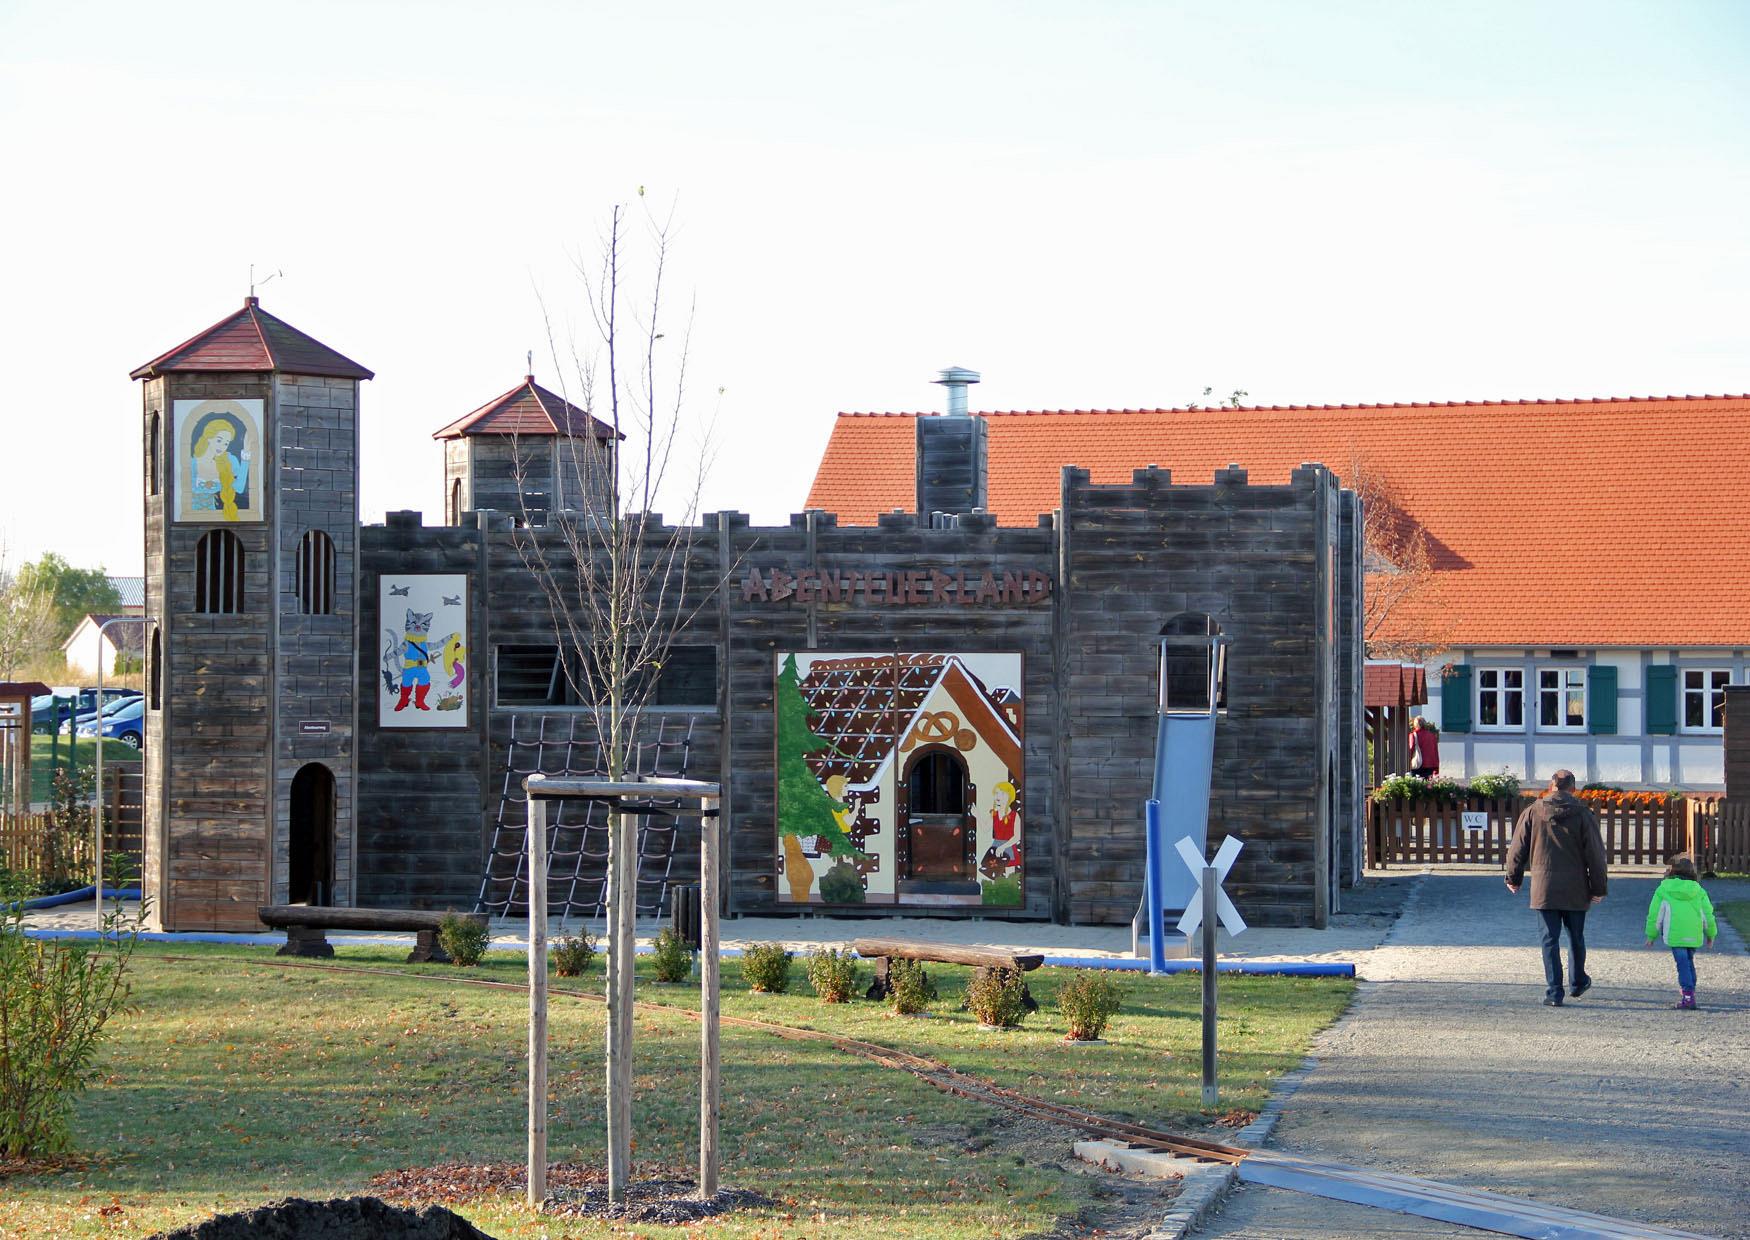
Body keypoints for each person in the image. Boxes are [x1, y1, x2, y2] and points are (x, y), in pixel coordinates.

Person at [1504, 770, 1607, 1006]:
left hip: (1544, 886)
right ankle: (1578, 982)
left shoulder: (1533, 811)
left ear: (1551, 786)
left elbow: (1517, 848)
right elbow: (1596, 854)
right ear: (1573, 788)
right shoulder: (1583, 813)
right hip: (1576, 886)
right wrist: (1598, 887)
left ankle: (1554, 992)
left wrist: (1513, 878)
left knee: (1549, 939)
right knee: (1575, 937)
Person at [1645, 854, 1717, 1010]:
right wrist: (1711, 934)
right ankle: (1690, 991)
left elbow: (1655, 915)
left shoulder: (1663, 889)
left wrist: (1651, 935)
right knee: (1688, 961)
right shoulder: (1698, 891)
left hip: (1674, 934)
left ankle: (1688, 996)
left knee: (1682, 963)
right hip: (1694, 933)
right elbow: (1708, 915)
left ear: (1671, 871)